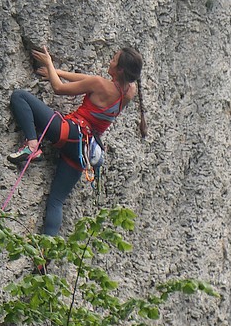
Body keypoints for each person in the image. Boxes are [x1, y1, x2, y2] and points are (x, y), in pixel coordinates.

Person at [8, 45, 147, 236]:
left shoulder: (100, 84)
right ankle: (44, 260)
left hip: (71, 132)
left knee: (20, 96)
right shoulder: (129, 91)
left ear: (120, 69)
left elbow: (59, 88)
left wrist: (49, 63)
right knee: (56, 201)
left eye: (114, 60)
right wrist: (55, 72)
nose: (110, 61)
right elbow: (87, 81)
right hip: (82, 151)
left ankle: (32, 145)